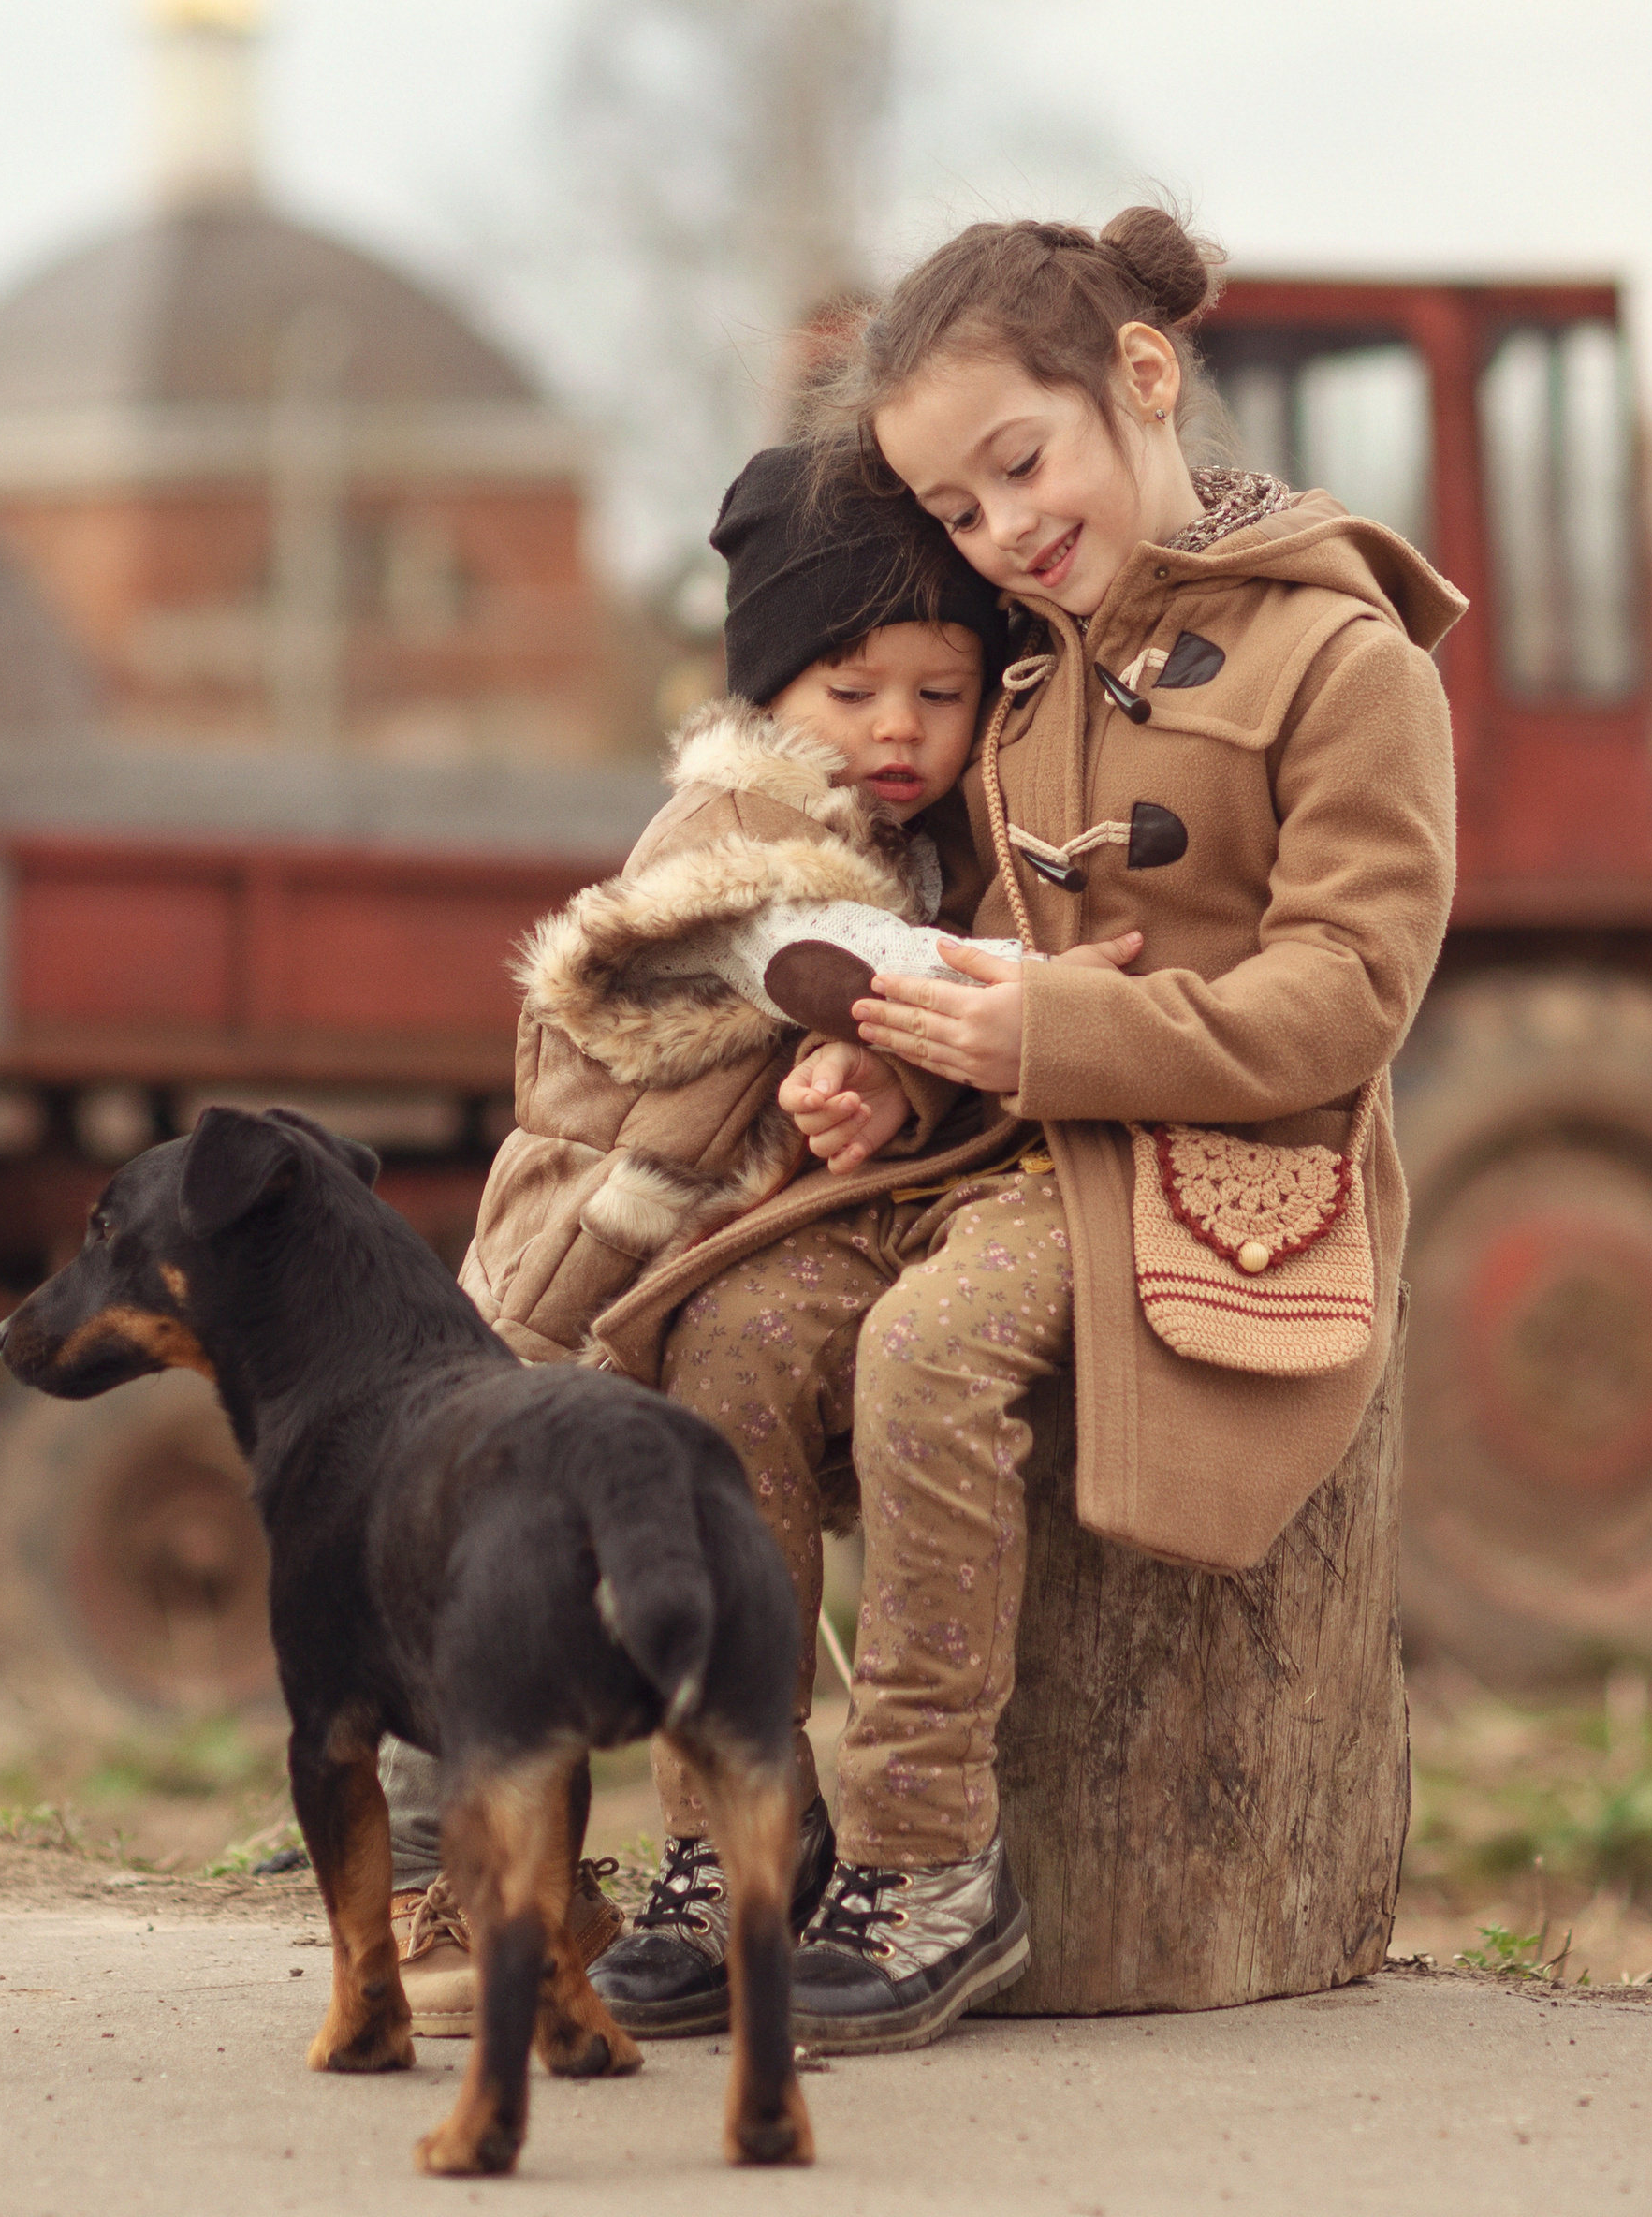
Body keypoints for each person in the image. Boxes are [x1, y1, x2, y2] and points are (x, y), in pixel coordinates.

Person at [578, 207, 1464, 2055]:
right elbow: (993, 936)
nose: (997, 528)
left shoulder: (1340, 658)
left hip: (1200, 1160)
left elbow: (1346, 1001)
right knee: (721, 1341)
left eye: (1015, 463)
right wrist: (901, 1063)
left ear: (1140, 380)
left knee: (926, 1351)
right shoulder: (1023, 663)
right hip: (992, 1142)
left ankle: (925, 1858)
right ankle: (732, 1824)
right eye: (957, 506)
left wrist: (1046, 1026)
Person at [386, 438, 1135, 2034]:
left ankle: (725, 1853)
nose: (898, 732)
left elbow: (835, 1066)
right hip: (577, 1260)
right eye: (854, 690)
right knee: (488, 1558)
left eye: (941, 696)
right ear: (773, 688)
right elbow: (808, 944)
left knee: (631, 1557)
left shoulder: (917, 842)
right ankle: (422, 1884)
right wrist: (1010, 991)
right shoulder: (739, 818)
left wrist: (879, 1095)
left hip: (690, 1255)